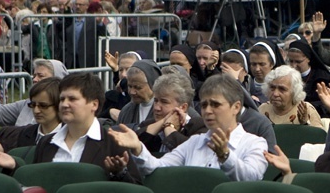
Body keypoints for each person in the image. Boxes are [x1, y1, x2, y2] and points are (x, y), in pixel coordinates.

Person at [0, 73, 141, 183]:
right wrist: (15, 167)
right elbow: (38, 186)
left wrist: (120, 172)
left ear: (94, 104)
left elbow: (135, 192)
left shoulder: (113, 142)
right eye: (62, 99)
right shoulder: (47, 142)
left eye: (72, 99)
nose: (64, 104)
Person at [107, 74, 268, 181]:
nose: (207, 111)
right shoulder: (194, 143)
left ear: (236, 107)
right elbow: (158, 168)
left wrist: (225, 156)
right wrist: (138, 148)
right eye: (204, 105)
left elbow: (252, 178)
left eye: (215, 104)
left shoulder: (254, 143)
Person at [0, 59, 67, 129]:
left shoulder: (67, 110)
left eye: (40, 76)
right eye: (34, 75)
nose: (35, 79)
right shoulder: (26, 104)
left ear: (57, 79)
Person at [136, 73, 207, 154]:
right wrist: (163, 122)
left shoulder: (198, 126)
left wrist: (169, 127)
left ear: (183, 107)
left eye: (164, 102)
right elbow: (133, 144)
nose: (156, 108)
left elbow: (191, 152)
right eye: (156, 101)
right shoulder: (148, 125)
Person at [0, 77, 63, 152]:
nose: (36, 111)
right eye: (32, 105)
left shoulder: (70, 137)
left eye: (43, 106)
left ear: (59, 106)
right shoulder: (22, 135)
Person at [259, 65, 325, 129]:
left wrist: (305, 123)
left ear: (294, 91)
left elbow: (319, 137)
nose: (275, 94)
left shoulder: (306, 110)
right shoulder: (263, 109)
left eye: (282, 89)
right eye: (272, 88)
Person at [286, 40, 330, 117]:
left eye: (298, 62)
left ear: (308, 59)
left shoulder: (321, 78)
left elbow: (323, 104)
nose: (294, 65)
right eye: (291, 61)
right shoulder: (285, 76)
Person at [117, 59, 161, 129]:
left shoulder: (162, 110)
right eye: (130, 86)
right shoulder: (126, 111)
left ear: (152, 84)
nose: (132, 92)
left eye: (138, 87)